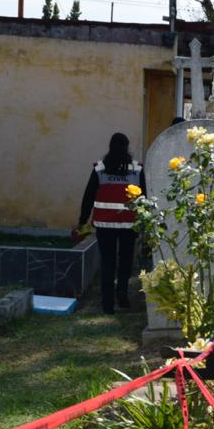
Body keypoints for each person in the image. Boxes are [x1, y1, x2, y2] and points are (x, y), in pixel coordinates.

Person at [75, 132, 145, 312]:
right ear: (127, 147)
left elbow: (88, 196)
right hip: (129, 224)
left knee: (107, 263)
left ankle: (107, 304)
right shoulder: (137, 169)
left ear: (110, 147)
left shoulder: (100, 168)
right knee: (125, 262)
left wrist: (83, 220)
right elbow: (145, 197)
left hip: (104, 224)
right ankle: (122, 298)